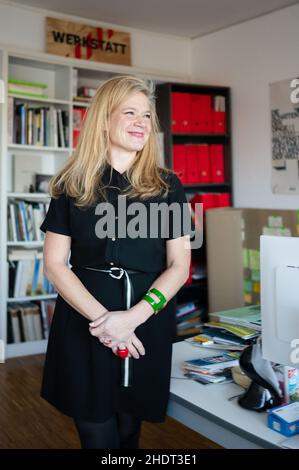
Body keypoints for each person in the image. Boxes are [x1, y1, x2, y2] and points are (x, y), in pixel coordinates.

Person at [40, 75, 194, 449]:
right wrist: (107, 324)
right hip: (85, 324)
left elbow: (179, 265)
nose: (142, 122)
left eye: (146, 115)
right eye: (130, 112)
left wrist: (132, 319)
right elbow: (55, 264)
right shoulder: (72, 184)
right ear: (104, 119)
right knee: (97, 433)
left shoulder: (167, 186)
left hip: (147, 325)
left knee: (130, 428)